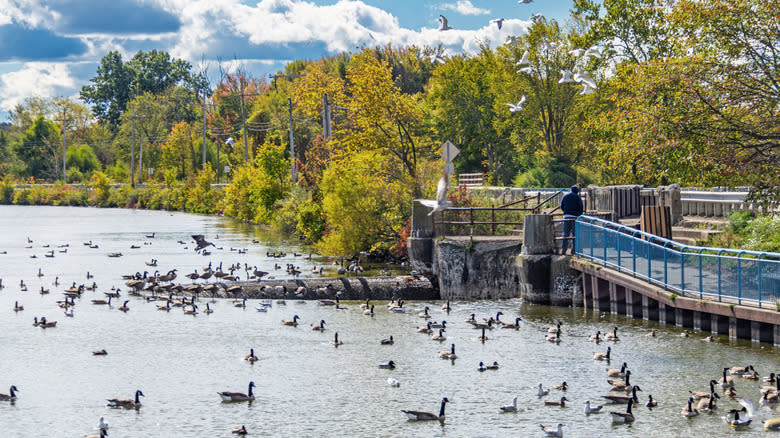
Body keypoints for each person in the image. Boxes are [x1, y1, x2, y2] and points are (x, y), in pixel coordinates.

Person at [560, 185, 583, 255]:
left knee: (565, 234)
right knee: (575, 234)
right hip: (575, 217)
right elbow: (581, 207)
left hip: (566, 217)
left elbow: (562, 206)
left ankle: (564, 250)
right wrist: (579, 214)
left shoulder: (565, 196)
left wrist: (566, 212)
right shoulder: (577, 197)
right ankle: (574, 250)